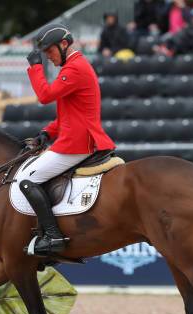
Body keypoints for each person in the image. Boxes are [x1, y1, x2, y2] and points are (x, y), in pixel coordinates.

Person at [23, 23, 116, 255]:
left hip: (78, 143)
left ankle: (53, 236)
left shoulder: (75, 68)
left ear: (64, 45)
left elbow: (45, 96)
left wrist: (35, 68)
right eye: (44, 55)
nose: (48, 57)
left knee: (27, 179)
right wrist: (47, 133)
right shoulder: (75, 66)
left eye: (50, 52)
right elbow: (68, 114)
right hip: (75, 137)